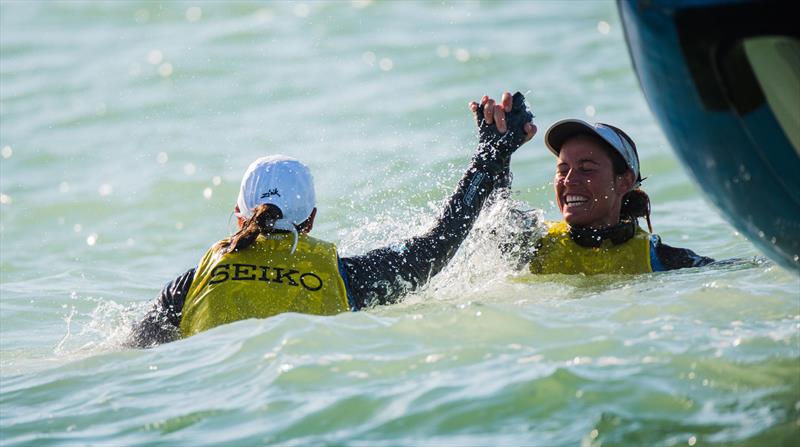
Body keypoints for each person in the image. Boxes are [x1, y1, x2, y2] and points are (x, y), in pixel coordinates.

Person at [128, 91, 536, 347]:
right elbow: (437, 245)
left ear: (239, 217)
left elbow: (128, 352)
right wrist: (490, 156)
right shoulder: (341, 278)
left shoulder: (190, 283)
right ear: (311, 221)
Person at [503, 118, 714, 274]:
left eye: (586, 169)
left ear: (624, 181)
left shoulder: (664, 261)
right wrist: (498, 151)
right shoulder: (531, 243)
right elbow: (479, 221)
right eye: (562, 169)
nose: (569, 180)